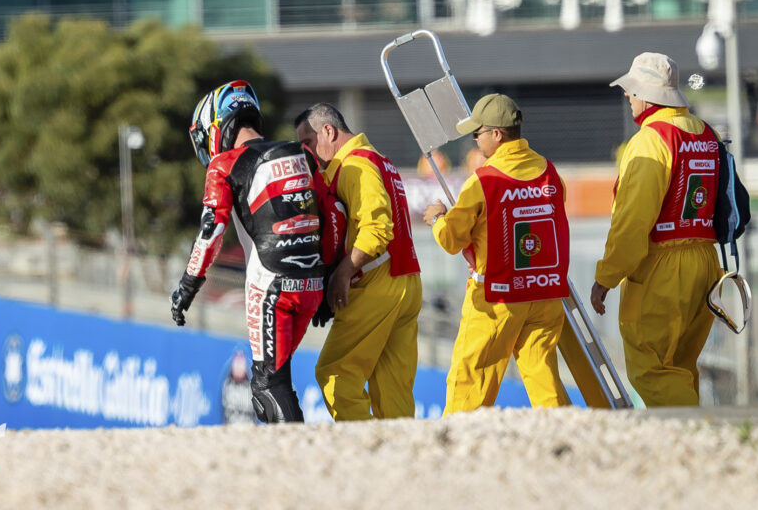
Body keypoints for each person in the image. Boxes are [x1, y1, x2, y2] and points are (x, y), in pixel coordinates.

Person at [170, 80, 342, 423]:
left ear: (219, 125)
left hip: (269, 288)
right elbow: (334, 214)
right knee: (278, 379)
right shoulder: (301, 153)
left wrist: (188, 286)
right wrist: (327, 275)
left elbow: (211, 231)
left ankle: (296, 460)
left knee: (267, 386)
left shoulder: (223, 166)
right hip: (312, 285)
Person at [423, 93, 571, 414]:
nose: (475, 141)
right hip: (544, 293)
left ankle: (458, 447)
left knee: (470, 382)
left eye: (478, 133)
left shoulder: (484, 181)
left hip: (497, 298)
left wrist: (437, 217)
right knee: (543, 376)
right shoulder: (548, 170)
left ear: (496, 135)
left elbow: (451, 240)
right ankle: (567, 440)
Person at [590, 52, 722, 406]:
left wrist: (606, 277)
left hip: (664, 266)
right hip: (706, 260)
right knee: (681, 365)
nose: (627, 96)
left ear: (646, 96)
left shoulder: (651, 140)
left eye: (631, 90)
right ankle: (699, 446)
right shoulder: (704, 132)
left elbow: (633, 219)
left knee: (652, 369)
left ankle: (692, 442)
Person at [294, 103, 422, 421]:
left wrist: (343, 271)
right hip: (406, 282)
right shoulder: (379, 160)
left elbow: (378, 229)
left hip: (377, 283)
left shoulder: (355, 166)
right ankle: (402, 460)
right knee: (392, 391)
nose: (306, 153)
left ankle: (366, 454)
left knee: (335, 374)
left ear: (328, 131)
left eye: (307, 143)